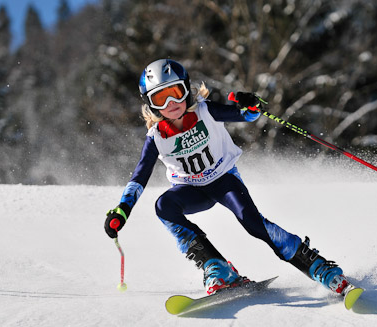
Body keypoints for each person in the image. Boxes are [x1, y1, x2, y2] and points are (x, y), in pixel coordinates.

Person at [104, 59, 351, 296]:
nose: (171, 102)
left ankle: (319, 267)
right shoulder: (156, 136)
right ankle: (217, 268)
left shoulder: (205, 111)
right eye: (160, 97)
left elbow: (247, 116)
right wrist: (122, 210)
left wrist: (251, 105)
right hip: (191, 190)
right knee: (163, 206)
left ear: (186, 90)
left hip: (223, 181)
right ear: (151, 103)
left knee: (252, 222)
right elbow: (140, 175)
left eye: (176, 92)